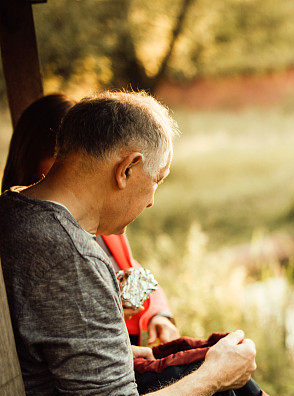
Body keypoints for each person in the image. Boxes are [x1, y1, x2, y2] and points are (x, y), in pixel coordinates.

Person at [0, 91, 253, 396]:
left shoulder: (14, 211)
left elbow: (44, 356)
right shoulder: (72, 256)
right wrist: (214, 374)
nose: (152, 199)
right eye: (158, 179)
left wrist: (132, 353)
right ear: (128, 168)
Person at [2, 93, 179, 346]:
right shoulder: (62, 245)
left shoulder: (101, 221)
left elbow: (130, 268)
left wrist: (156, 313)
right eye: (60, 157)